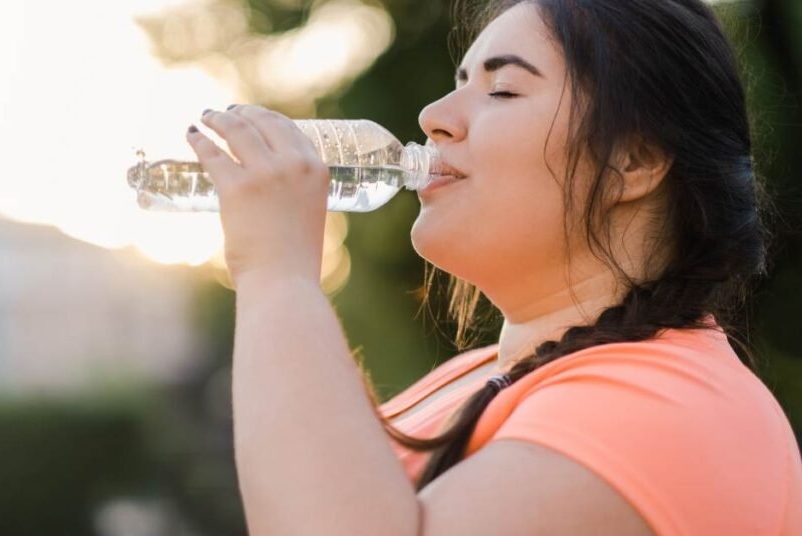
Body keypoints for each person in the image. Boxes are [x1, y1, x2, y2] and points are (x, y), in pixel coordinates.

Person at [186, 0, 801, 534]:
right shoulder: (477, 377)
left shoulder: (674, 408)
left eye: (501, 90)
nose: (433, 116)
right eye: (458, 82)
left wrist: (278, 273)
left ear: (632, 161)